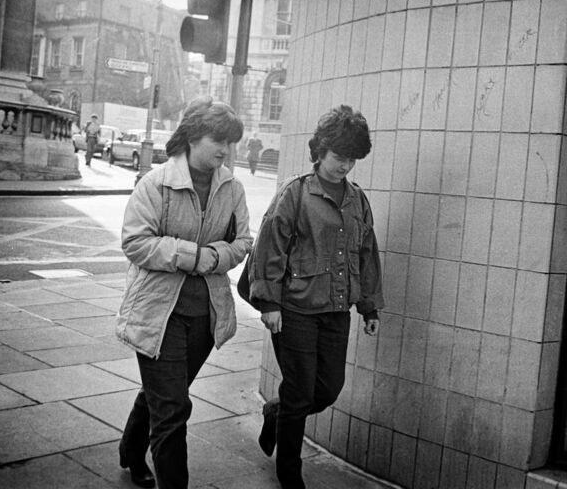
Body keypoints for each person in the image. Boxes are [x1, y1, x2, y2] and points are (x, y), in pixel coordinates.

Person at [115, 97, 252, 489]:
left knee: (166, 395)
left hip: (205, 317)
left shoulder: (233, 187)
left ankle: (130, 447)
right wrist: (192, 256)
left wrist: (216, 256)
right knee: (174, 406)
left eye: (229, 142)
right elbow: (136, 243)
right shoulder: (156, 184)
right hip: (159, 312)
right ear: (192, 136)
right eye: (216, 139)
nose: (224, 150)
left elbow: (243, 242)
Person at [248, 105, 383, 489]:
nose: (345, 166)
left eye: (352, 159)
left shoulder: (358, 200)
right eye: (340, 157)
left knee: (326, 389)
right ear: (320, 150)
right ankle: (290, 473)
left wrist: (369, 305)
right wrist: (269, 304)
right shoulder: (295, 194)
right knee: (301, 387)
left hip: (337, 311)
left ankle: (276, 412)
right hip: (295, 311)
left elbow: (367, 254)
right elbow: (269, 249)